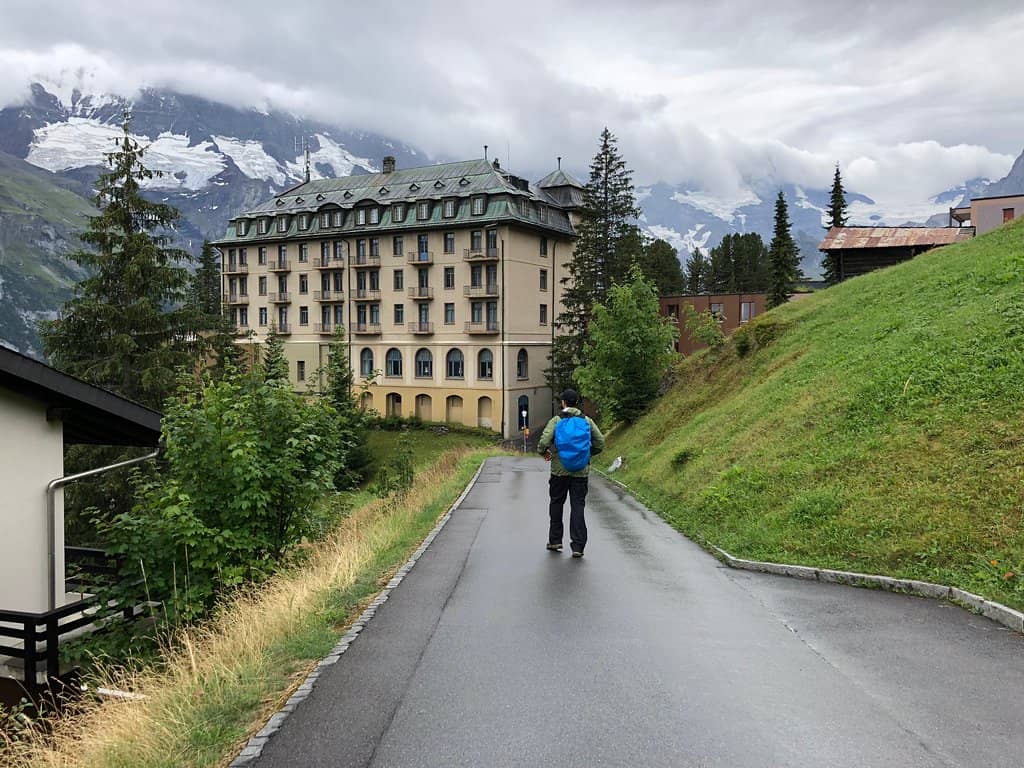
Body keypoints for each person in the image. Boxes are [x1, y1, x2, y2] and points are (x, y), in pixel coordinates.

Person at [536, 389, 605, 558]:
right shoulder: (587, 420)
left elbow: (543, 442)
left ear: (563, 403)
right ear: (577, 402)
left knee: (556, 504)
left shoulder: (557, 420)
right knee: (578, 506)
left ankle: (555, 540)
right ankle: (578, 547)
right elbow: (600, 442)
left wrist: (544, 452)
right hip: (580, 472)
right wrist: (586, 454)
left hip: (559, 470)